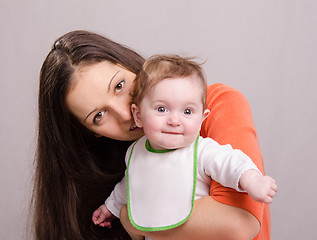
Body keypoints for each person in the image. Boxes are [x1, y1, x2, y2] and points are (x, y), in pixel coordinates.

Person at [34, 30, 272, 240]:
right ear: (92, 133)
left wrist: (129, 217)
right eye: (98, 115)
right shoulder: (134, 155)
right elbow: (125, 187)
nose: (124, 114)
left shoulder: (217, 104)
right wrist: (112, 208)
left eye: (119, 86)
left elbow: (240, 224)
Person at [92, 55, 277, 240]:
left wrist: (253, 181)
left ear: (202, 119)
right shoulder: (135, 152)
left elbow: (231, 162)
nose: (174, 121)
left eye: (187, 112)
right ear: (138, 115)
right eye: (161, 109)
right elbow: (130, 185)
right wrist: (111, 208)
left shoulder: (201, 150)